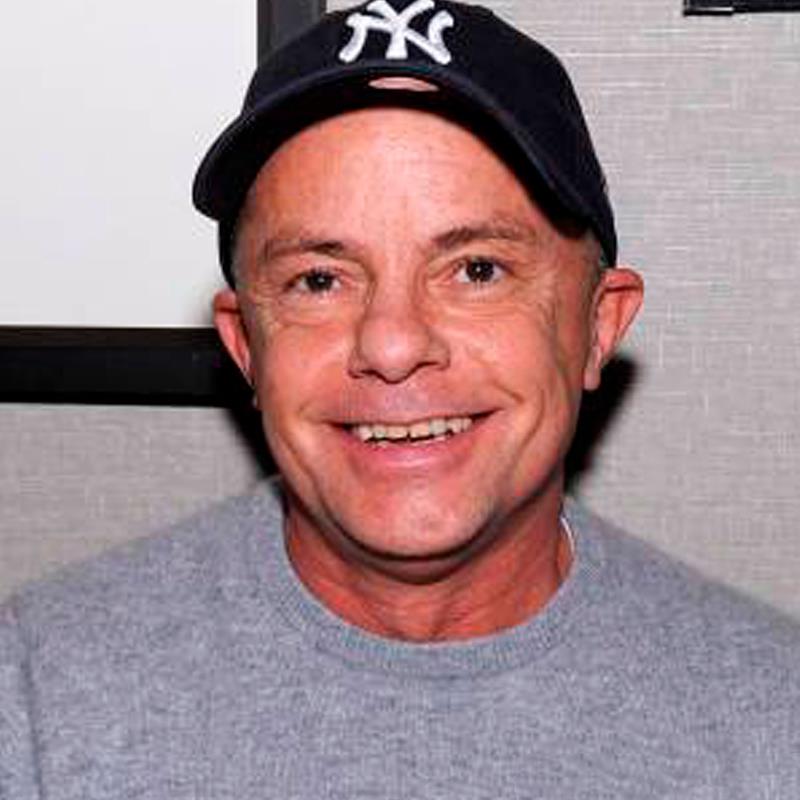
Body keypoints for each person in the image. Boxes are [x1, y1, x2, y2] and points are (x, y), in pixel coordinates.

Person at [2, 1, 799, 797]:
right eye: (319, 280)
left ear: (597, 325)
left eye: (477, 270)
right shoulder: (37, 696)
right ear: (246, 346)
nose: (390, 345)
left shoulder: (772, 718)